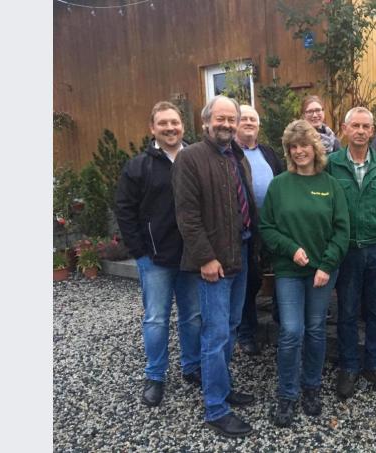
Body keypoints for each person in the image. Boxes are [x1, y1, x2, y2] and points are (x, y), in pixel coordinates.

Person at [172, 95, 256, 438]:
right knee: (215, 333)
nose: (225, 125)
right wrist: (206, 258)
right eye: (219, 119)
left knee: (231, 326)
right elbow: (187, 217)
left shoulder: (237, 156)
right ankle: (215, 408)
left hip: (242, 253)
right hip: (215, 262)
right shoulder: (190, 159)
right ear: (206, 122)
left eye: (230, 120)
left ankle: (223, 386)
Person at [259, 119, 350, 427]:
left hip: (323, 273)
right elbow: (266, 228)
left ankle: (311, 387)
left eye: (304, 145)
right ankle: (287, 393)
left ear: (315, 148)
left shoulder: (331, 185)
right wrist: (290, 249)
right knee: (291, 331)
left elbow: (342, 230)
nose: (299, 151)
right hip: (288, 271)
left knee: (314, 330)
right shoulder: (279, 184)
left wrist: (327, 265)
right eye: (293, 147)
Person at [115, 101, 202, 407]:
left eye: (174, 122)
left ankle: (192, 367)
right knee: (156, 319)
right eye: (163, 123)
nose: (170, 128)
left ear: (182, 126)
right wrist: (139, 251)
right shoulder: (139, 166)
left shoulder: (195, 158)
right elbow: (124, 210)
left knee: (192, 316)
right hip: (155, 258)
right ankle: (156, 376)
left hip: (193, 256)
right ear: (152, 128)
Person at [327, 106, 376, 399]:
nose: (360, 131)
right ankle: (348, 366)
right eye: (355, 126)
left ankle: (375, 364)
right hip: (346, 251)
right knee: (346, 311)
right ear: (344, 129)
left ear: (372, 131)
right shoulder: (331, 165)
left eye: (365, 126)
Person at [235, 105, 285, 356]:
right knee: (249, 280)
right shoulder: (230, 154)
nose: (249, 122)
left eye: (253, 119)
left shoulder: (267, 152)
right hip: (246, 227)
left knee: (282, 270)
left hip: (273, 224)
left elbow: (284, 180)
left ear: (259, 125)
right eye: (243, 118)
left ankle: (281, 318)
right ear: (235, 123)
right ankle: (247, 332)